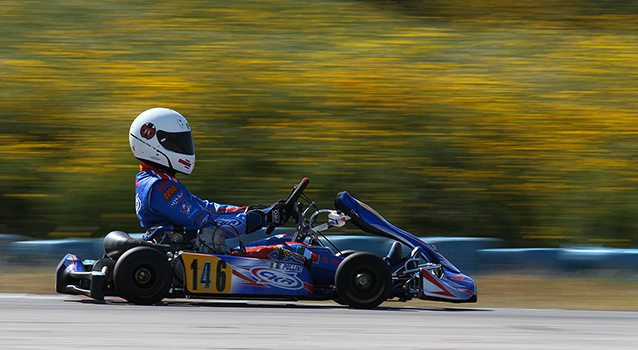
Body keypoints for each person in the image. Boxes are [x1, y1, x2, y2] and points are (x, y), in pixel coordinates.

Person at [129, 107, 286, 252]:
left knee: (284, 242)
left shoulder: (159, 180)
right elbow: (206, 223)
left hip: (192, 254)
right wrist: (260, 218)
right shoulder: (158, 187)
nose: (183, 147)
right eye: (177, 142)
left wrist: (256, 210)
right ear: (152, 145)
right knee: (286, 251)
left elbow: (207, 208)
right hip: (186, 260)